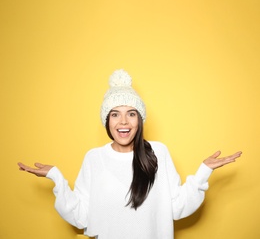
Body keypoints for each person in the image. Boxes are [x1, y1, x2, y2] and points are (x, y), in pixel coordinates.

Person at [18, 69, 242, 239]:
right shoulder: (94, 158)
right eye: (115, 114)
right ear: (107, 121)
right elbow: (82, 216)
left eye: (131, 114)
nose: (123, 121)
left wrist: (204, 172)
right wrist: (56, 177)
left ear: (139, 120)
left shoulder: (158, 152)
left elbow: (175, 207)